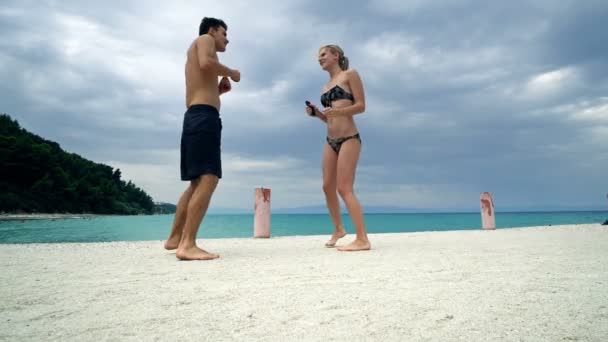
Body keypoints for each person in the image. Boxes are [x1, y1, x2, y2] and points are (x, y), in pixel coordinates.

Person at [164, 17, 240, 260]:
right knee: (209, 178)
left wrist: (219, 91)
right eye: (224, 33)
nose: (227, 38)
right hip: (204, 118)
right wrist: (232, 73)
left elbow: (201, 80)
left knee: (197, 182)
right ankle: (188, 244)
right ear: (212, 30)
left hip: (196, 115)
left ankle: (175, 238)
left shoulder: (194, 48)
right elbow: (208, 64)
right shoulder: (204, 39)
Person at [305, 44, 371, 251]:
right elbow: (331, 119)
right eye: (318, 56)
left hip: (349, 138)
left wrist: (340, 113)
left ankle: (362, 239)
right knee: (327, 186)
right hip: (330, 140)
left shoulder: (350, 75)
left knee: (344, 188)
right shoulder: (325, 87)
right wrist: (318, 115)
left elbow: (361, 106)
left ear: (336, 56)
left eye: (323, 54)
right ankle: (339, 229)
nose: (319, 58)